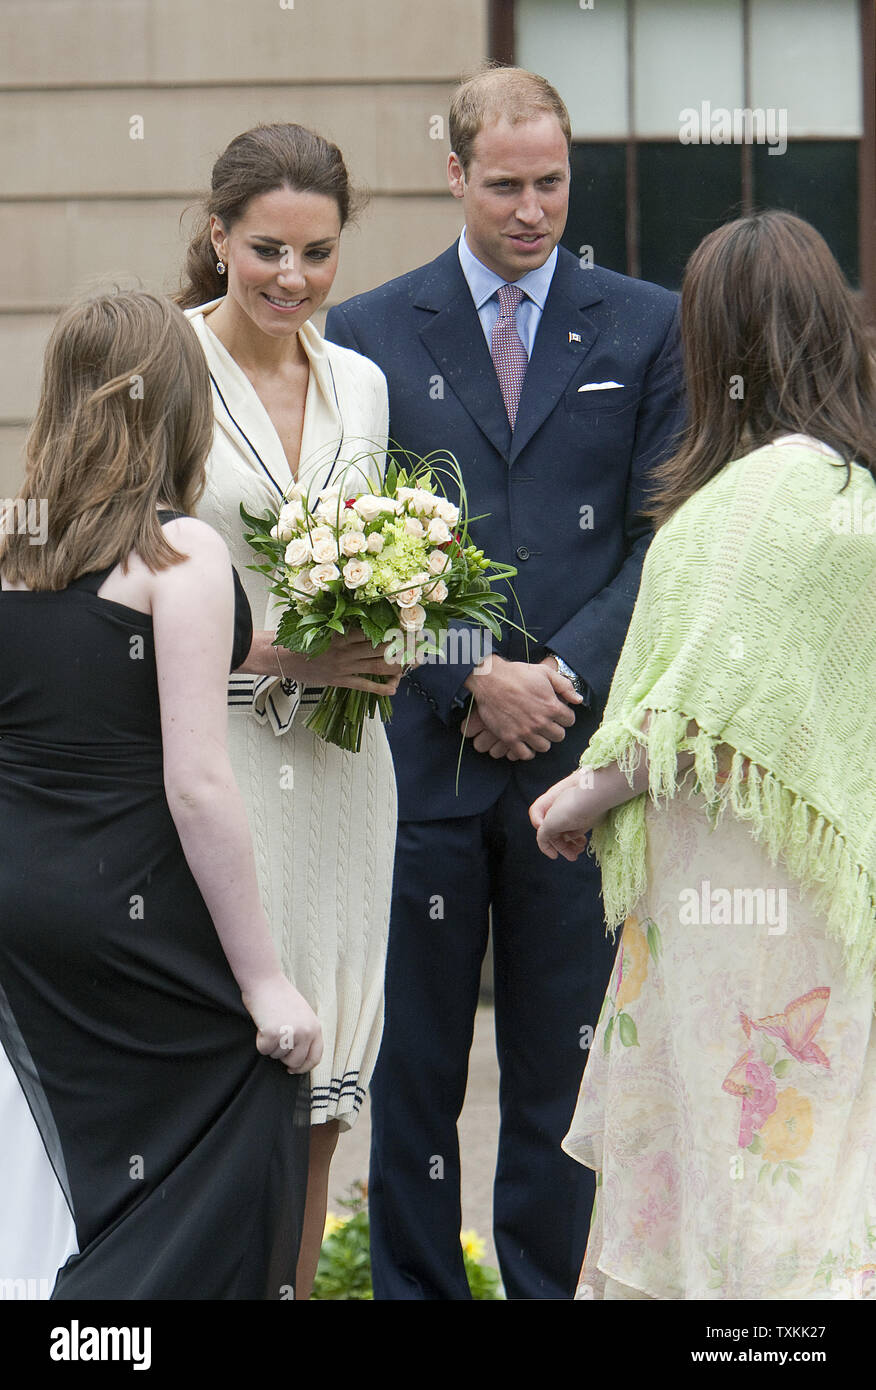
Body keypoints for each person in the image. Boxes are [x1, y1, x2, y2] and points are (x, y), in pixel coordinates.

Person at [325, 66, 684, 1299]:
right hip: (421, 759)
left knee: (561, 1070)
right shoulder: (368, 328)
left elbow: (659, 539)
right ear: (455, 173)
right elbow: (351, 540)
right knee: (414, 1074)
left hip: (576, 770)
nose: (533, 209)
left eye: (552, 183)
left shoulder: (647, 322)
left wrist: (560, 676)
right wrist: (473, 678)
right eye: (506, 185)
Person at [532, 211, 876, 1301]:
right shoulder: (855, 495)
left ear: (715, 343)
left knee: (732, 1169)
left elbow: (698, 721)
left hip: (734, 896)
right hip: (836, 889)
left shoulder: (740, 506)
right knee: (820, 1162)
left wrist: (575, 798)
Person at [0, 289, 321, 1299]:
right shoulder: (178, 555)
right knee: (251, 1089)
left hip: (21, 905)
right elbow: (196, 783)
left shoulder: (10, 542)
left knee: (72, 1156)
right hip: (125, 896)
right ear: (184, 407)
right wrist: (266, 981)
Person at [176, 123, 401, 1299]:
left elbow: (375, 555)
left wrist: (396, 627)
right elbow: (102, 586)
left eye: (317, 254)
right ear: (217, 236)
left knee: (327, 1087)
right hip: (208, 759)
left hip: (344, 772)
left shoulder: (360, 381)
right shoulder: (158, 369)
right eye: (267, 248)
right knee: (226, 1070)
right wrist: (279, 654)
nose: (292, 278)